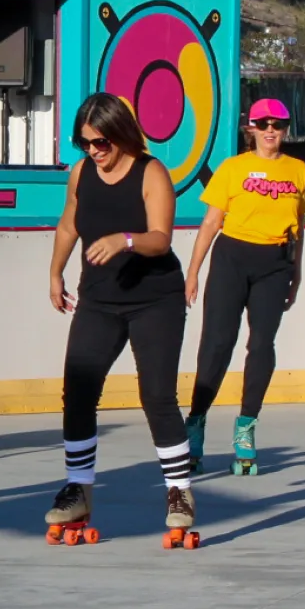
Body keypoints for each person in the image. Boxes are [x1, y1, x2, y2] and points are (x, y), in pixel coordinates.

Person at [46, 92, 195, 536]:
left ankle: (179, 490)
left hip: (156, 299)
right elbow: (68, 224)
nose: (94, 151)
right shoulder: (82, 173)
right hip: (99, 300)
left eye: (101, 143)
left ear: (120, 134)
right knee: (78, 391)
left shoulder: (152, 172)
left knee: (157, 397)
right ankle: (78, 489)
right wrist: (54, 273)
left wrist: (124, 240)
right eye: (85, 143)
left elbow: (161, 238)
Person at [184, 98, 305, 475]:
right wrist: (193, 272)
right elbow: (210, 222)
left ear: (286, 128)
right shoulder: (233, 167)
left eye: (278, 124)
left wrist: (297, 272)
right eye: (264, 123)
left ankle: (246, 429)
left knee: (261, 345)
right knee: (217, 342)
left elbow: (298, 226)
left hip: (275, 263)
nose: (271, 130)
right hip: (231, 257)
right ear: (251, 128)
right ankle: (196, 423)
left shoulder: (299, 170)